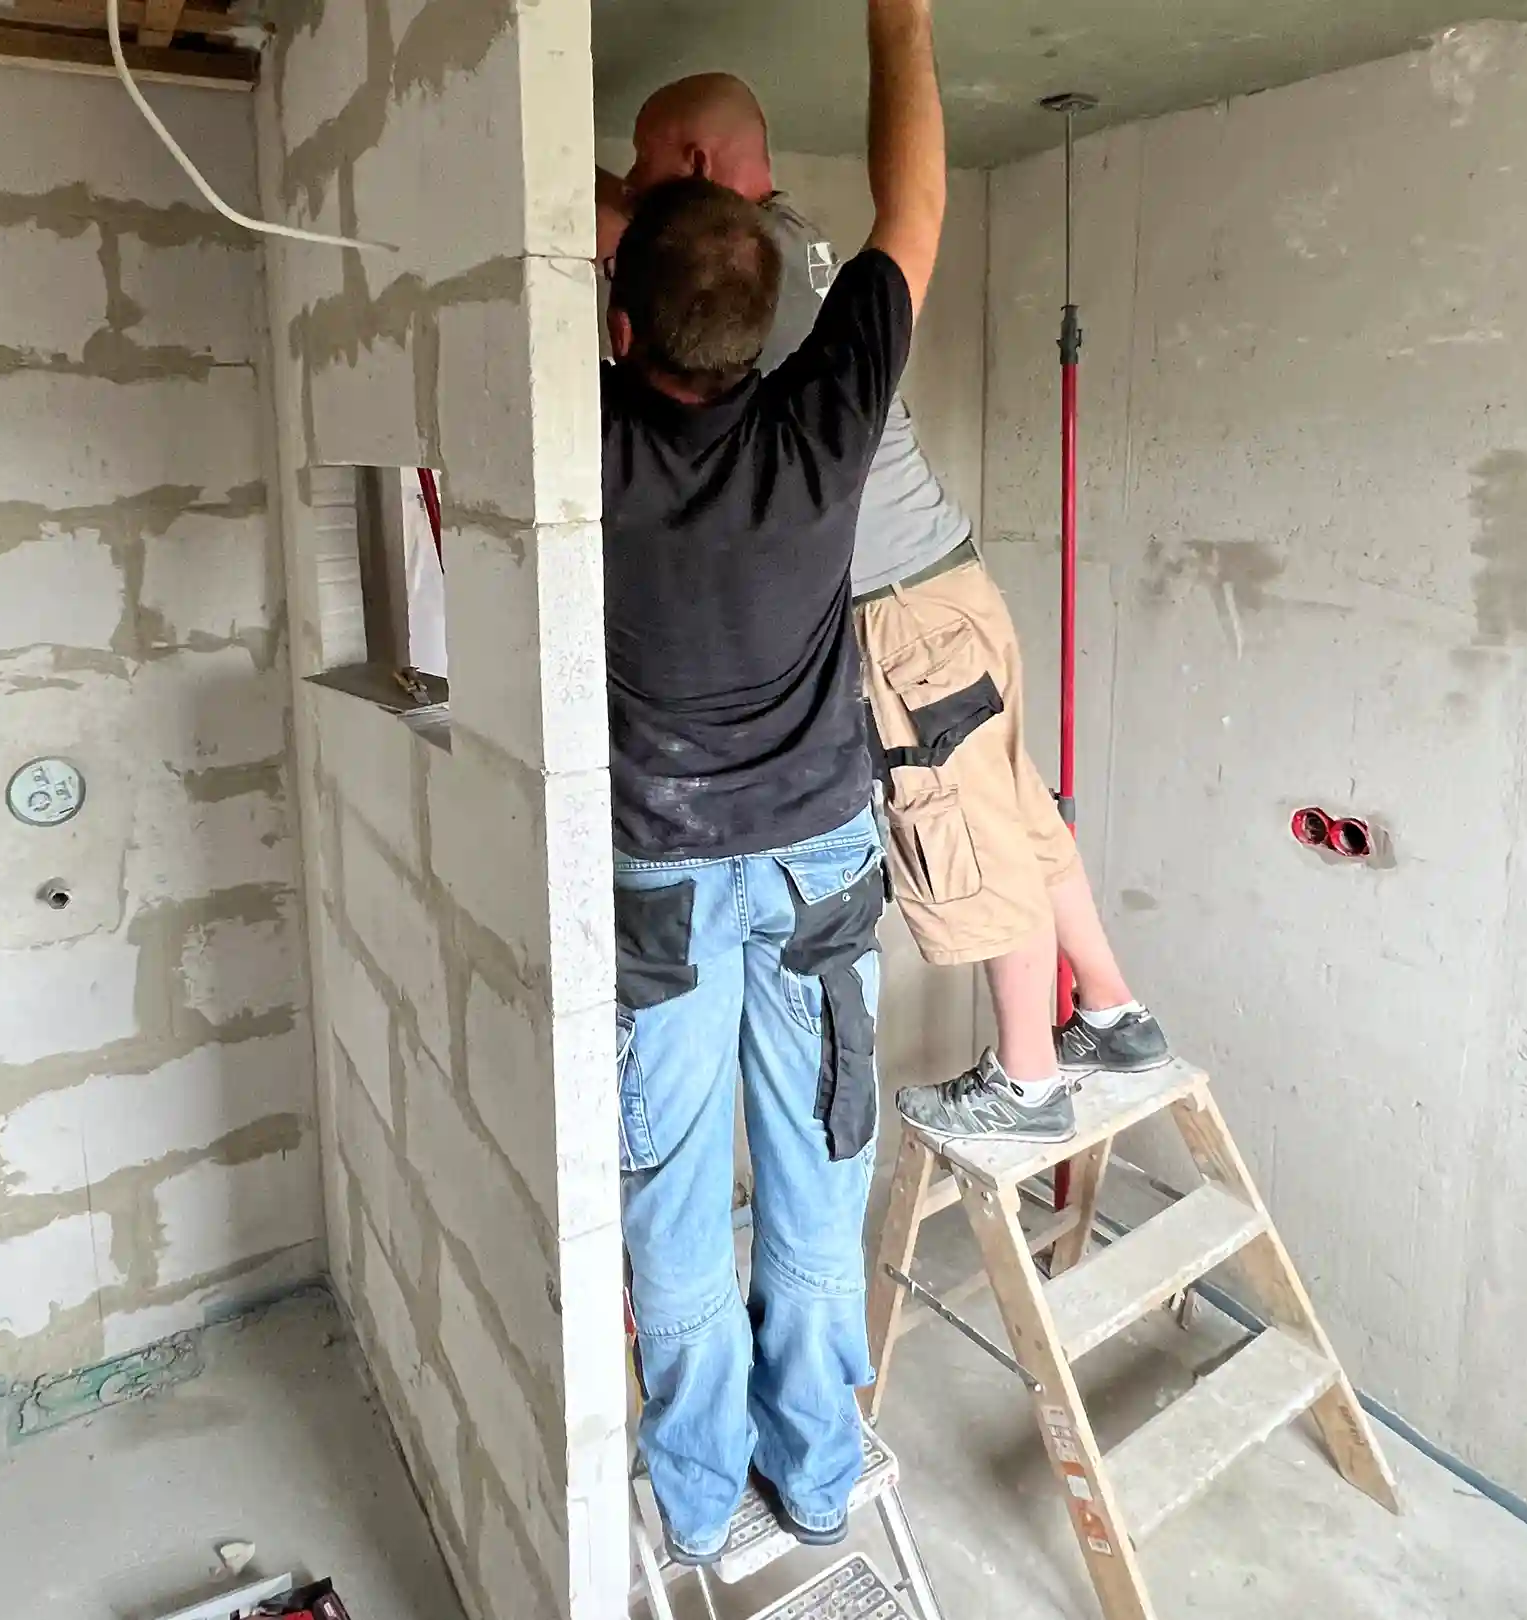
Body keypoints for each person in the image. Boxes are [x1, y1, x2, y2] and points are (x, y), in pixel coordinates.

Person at [598, 76, 1170, 1154]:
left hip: (897, 615)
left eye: (638, 159)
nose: (625, 184)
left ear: (695, 169)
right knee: (1013, 805)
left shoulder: (725, 271)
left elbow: (638, 246)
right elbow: (644, 220)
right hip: (946, 586)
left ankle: (1031, 1080)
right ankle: (1110, 1008)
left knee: (960, 829)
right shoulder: (793, 250)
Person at [600, 0, 946, 1565]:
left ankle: (689, 1495)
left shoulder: (581, 453)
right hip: (814, 866)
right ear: (775, 306)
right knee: (811, 1174)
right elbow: (912, 211)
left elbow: (564, 279)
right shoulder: (829, 419)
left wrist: (637, 211)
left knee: (672, 1196)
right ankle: (813, 1481)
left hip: (658, 882)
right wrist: (901, 21)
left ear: (619, 324)